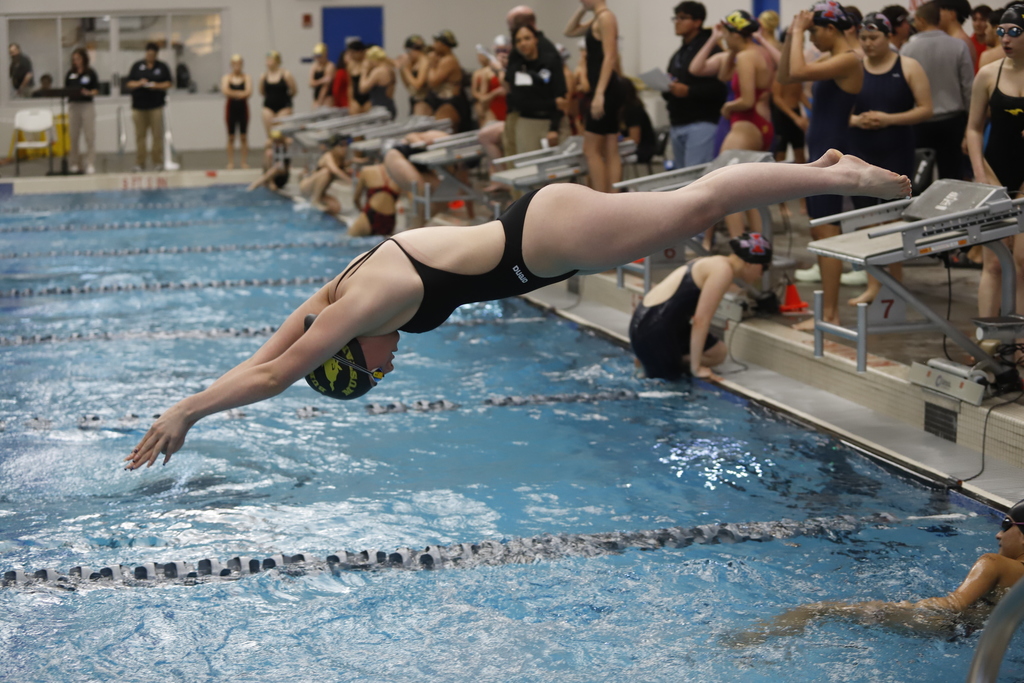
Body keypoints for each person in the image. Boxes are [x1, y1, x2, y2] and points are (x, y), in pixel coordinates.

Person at [123, 150, 911, 469]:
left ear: (352, 349)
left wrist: (189, 411)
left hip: (541, 238)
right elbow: (266, 356)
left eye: (374, 372)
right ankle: (817, 169)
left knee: (694, 208)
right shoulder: (343, 291)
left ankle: (831, 170)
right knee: (686, 213)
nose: (391, 366)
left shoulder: (371, 301)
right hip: (543, 240)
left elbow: (280, 375)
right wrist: (193, 400)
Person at [734, 500, 1024, 643]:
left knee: (820, 609)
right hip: (975, 634)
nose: (998, 535)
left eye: (1005, 524)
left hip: (940, 622)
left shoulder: (993, 563)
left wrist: (903, 608)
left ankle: (750, 641)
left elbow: (954, 606)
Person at [779, 1, 863, 329]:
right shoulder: (832, 58)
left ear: (831, 28)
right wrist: (792, 37)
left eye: (814, 31)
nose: (811, 38)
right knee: (820, 228)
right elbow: (787, 75)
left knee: (828, 230)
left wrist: (797, 32)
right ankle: (827, 314)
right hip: (821, 152)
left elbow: (797, 72)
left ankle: (830, 315)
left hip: (833, 153)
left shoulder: (849, 59)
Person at [847, 13, 934, 305]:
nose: (869, 44)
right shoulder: (854, 67)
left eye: (875, 38)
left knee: (892, 218)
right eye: (864, 38)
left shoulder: (908, 66)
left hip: (896, 148)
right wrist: (856, 121)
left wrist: (889, 119)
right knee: (865, 219)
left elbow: (925, 109)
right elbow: (834, 112)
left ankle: (895, 281)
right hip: (861, 148)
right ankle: (875, 283)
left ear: (888, 37)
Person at [630, 233, 772, 382]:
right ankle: (654, 358)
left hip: (646, 323)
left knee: (718, 352)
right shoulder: (723, 271)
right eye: (765, 268)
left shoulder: (715, 262)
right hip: (655, 331)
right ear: (752, 263)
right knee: (671, 388)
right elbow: (701, 320)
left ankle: (650, 357)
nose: (762, 274)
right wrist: (696, 368)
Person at [966, 3, 1024, 318]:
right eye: (1001, 31)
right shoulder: (988, 74)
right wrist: (979, 173)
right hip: (994, 172)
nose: (1005, 38)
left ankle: (1020, 347)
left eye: (1014, 32)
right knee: (993, 263)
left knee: (1023, 263)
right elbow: (974, 129)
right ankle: (987, 341)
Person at [903, 1, 974, 181]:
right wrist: (970, 123)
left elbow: (904, 89)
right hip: (953, 120)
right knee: (952, 176)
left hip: (920, 122)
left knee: (919, 176)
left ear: (920, 20)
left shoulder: (907, 49)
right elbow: (968, 87)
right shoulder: (958, 46)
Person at [565, 0, 623, 193]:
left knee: (590, 150)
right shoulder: (598, 19)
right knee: (610, 146)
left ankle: (604, 198)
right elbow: (570, 31)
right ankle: (611, 199)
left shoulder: (606, 17)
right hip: (605, 89)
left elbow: (610, 56)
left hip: (605, 89)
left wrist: (599, 94)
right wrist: (583, 9)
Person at [665, 2, 730, 168]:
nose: (677, 22)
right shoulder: (679, 53)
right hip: (678, 121)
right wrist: (667, 88)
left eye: (683, 18)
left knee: (695, 180)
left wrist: (689, 91)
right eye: (676, 18)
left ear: (697, 22)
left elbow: (720, 88)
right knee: (681, 180)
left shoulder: (712, 50)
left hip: (702, 122)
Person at [505, 23, 567, 155]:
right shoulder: (517, 68)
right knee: (529, 167)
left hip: (553, 122)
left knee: (559, 167)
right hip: (527, 122)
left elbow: (561, 97)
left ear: (536, 39)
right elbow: (519, 102)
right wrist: (551, 102)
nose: (523, 43)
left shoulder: (550, 61)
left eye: (527, 38)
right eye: (518, 40)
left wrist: (553, 128)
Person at [126, 42, 173, 172]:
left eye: (153, 54)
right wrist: (140, 83)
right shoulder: (137, 66)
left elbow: (169, 83)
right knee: (140, 136)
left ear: (156, 55)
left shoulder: (162, 67)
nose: (150, 56)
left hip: (156, 106)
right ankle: (140, 162)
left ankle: (158, 161)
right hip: (139, 107)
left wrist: (155, 85)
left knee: (157, 135)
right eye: (148, 54)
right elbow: (129, 83)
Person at [64, 48, 98, 175]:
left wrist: (88, 92)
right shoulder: (70, 74)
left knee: (89, 136)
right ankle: (74, 163)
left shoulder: (90, 73)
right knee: (73, 136)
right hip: (74, 106)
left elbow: (96, 90)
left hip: (87, 105)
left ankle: (90, 163)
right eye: (74, 60)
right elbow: (66, 89)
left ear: (83, 59)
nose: (76, 62)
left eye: (78, 59)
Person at [299, 133, 351, 215]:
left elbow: (342, 170)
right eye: (342, 145)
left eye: (346, 145)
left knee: (336, 208)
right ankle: (315, 200)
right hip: (307, 186)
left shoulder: (341, 160)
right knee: (326, 171)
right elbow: (334, 170)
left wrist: (353, 161)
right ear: (335, 147)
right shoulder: (328, 155)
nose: (345, 148)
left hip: (320, 193)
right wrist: (350, 181)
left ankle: (317, 201)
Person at [426, 31, 469, 131]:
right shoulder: (444, 60)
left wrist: (432, 64)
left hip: (450, 102)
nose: (433, 46)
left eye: (436, 43)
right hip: (443, 100)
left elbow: (432, 82)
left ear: (443, 45)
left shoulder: (449, 60)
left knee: (441, 132)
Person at [350, 163, 402, 237]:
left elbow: (356, 199)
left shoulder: (366, 170)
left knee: (346, 240)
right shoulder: (400, 176)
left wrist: (362, 211)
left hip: (370, 215)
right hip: (389, 220)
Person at [220, 54, 252, 170]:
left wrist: (233, 93)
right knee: (231, 137)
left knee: (243, 136)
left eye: (239, 64)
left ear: (242, 65)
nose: (237, 66)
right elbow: (225, 90)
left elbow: (249, 92)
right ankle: (231, 162)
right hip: (231, 108)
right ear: (231, 65)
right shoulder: (227, 78)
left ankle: (244, 162)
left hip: (243, 108)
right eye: (234, 64)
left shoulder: (246, 77)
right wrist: (240, 94)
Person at [259, 51, 297, 142]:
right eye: (267, 60)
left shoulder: (286, 74)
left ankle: (284, 150)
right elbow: (262, 92)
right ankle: (272, 153)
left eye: (270, 60)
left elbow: (294, 91)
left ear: (276, 61)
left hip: (284, 106)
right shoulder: (264, 76)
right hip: (268, 106)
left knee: (280, 134)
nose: (268, 62)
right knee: (271, 137)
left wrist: (285, 99)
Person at [619, 78, 657, 165]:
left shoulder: (633, 110)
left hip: (643, 149)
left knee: (610, 156)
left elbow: (635, 139)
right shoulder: (622, 110)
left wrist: (618, 140)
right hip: (632, 147)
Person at [471, 40, 507, 127]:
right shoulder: (485, 73)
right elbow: (482, 98)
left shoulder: (512, 70)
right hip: (494, 109)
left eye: (504, 52)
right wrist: (496, 93)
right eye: (498, 52)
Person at [938, 0, 980, 68]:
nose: (937, 16)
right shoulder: (958, 40)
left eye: (940, 11)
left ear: (951, 14)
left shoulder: (958, 42)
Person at [247, 129, 291, 194]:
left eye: (278, 140)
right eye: (275, 140)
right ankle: (270, 182)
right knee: (268, 153)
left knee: (278, 165)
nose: (277, 142)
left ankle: (256, 184)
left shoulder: (286, 144)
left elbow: (285, 167)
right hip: (272, 174)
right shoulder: (271, 145)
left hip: (282, 176)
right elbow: (267, 145)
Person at [358, 46, 397, 119]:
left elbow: (362, 89)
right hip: (389, 105)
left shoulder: (378, 71)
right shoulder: (389, 69)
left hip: (381, 109)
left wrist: (364, 71)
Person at [397, 35, 431, 116]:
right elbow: (409, 87)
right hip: (415, 99)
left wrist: (406, 70)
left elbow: (418, 85)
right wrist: (402, 69)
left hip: (425, 101)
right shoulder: (414, 62)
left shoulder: (424, 61)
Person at [346, 41, 371, 115]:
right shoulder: (350, 65)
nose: (351, 55)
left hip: (369, 98)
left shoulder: (368, 63)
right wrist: (351, 100)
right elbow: (350, 85)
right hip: (356, 98)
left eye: (353, 53)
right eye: (349, 53)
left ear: (360, 52)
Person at [309, 42, 336, 109]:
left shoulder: (330, 66)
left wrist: (320, 102)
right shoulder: (314, 66)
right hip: (316, 97)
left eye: (320, 56)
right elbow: (311, 83)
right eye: (316, 56)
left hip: (327, 97)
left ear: (325, 55)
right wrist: (322, 80)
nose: (318, 59)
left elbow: (326, 87)